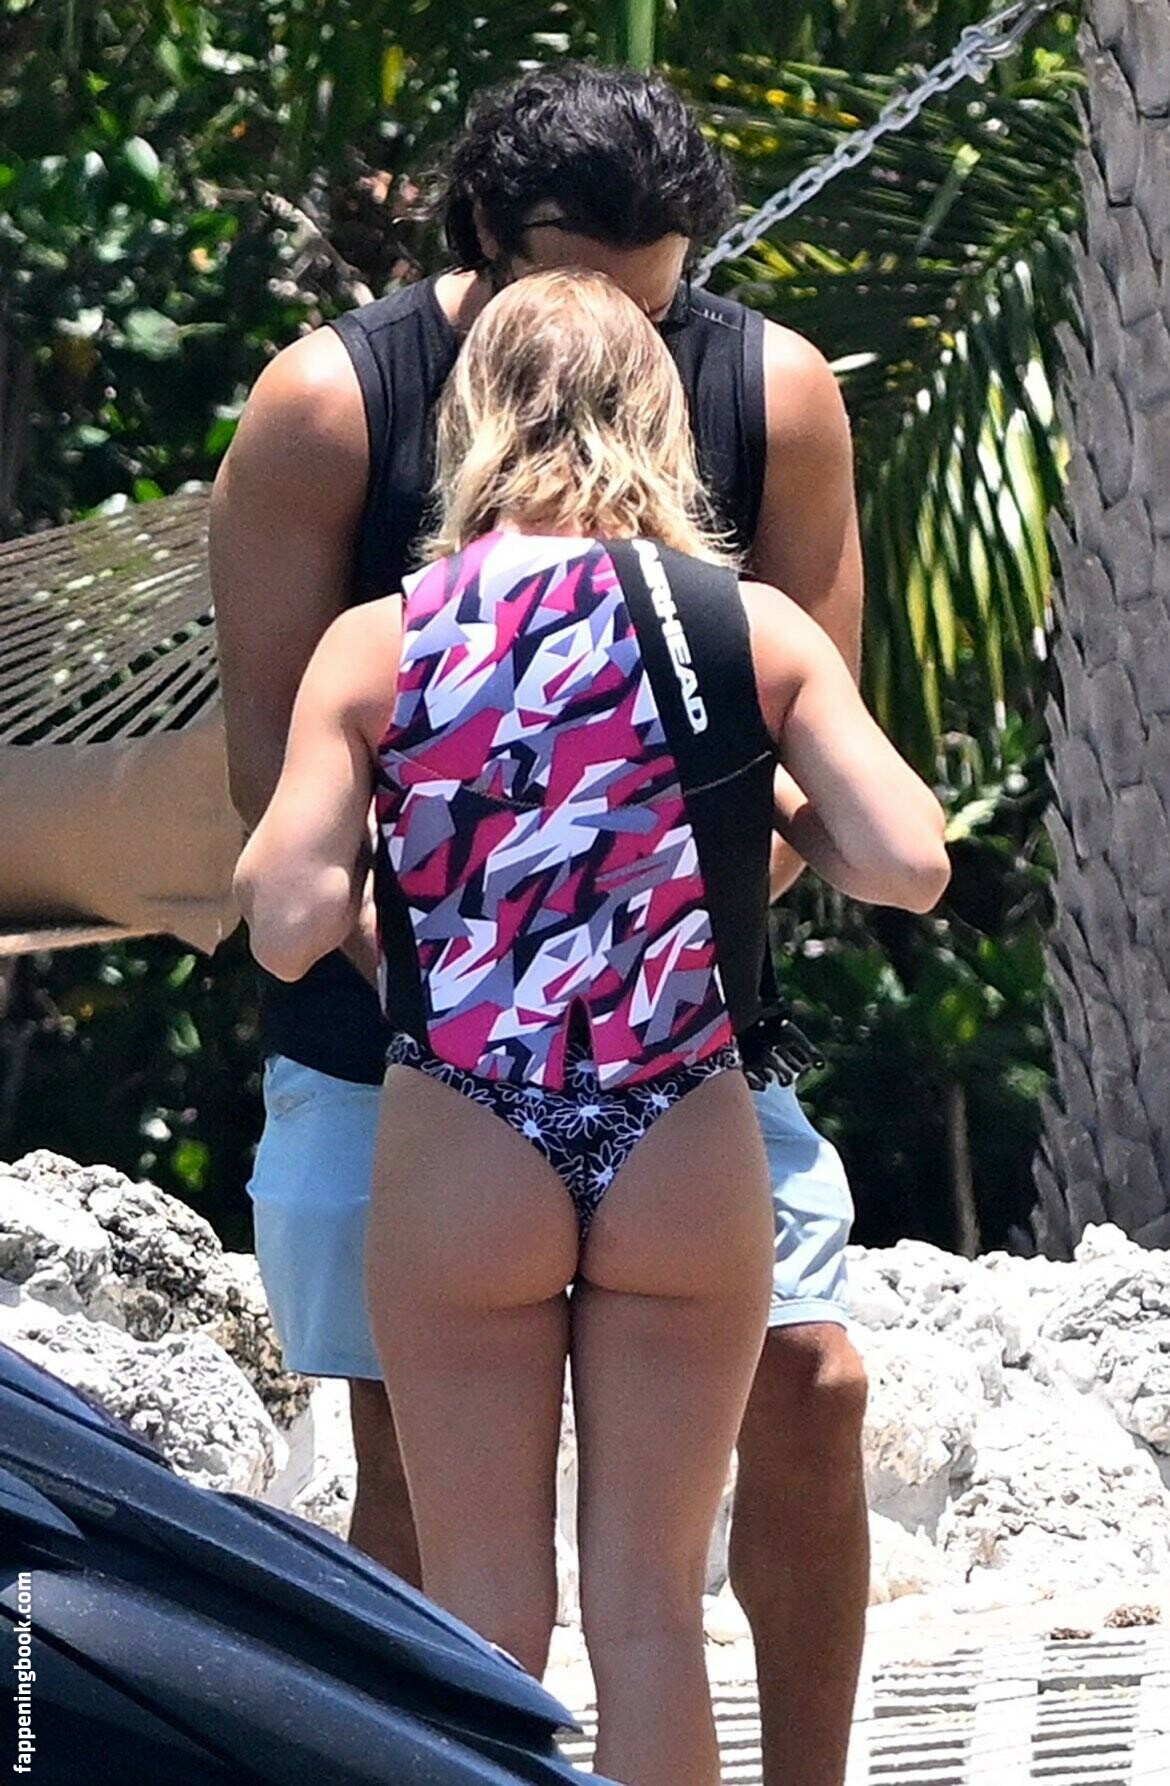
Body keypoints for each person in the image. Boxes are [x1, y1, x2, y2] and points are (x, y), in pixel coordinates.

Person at [214, 64, 868, 1786]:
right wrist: (550, 942)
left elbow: (281, 878)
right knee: (580, 1579)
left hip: (546, 1042)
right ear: (482, 245)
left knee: (788, 1397)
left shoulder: (767, 388)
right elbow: (876, 822)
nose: (631, 335)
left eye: (662, 300)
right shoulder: (330, 401)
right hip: (518, 1043)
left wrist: (529, 955)